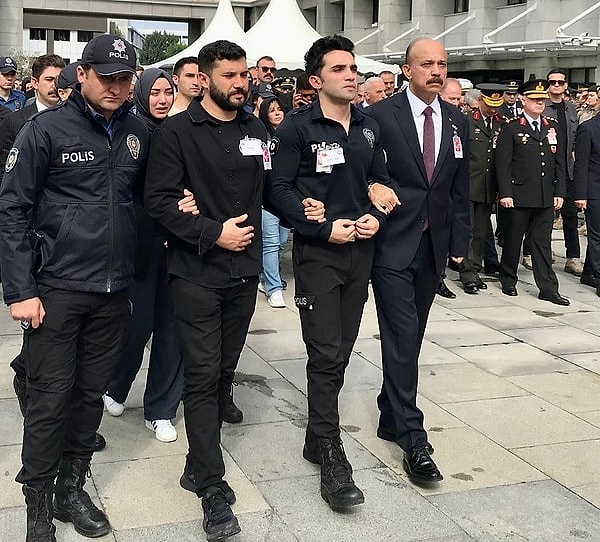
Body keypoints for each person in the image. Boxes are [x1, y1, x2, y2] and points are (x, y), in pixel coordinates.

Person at [0, 34, 148, 541]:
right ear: (80, 75)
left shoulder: (137, 130)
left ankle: (71, 487)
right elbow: (13, 210)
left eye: (124, 78)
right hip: (57, 288)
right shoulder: (45, 130)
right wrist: (20, 290)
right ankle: (37, 502)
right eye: (105, 76)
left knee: (89, 396)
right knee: (49, 399)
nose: (115, 86)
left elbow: (147, 199)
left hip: (113, 292)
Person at [143, 40, 267, 541]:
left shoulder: (256, 128)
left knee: (221, 372)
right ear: (205, 79)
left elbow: (272, 186)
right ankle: (211, 489)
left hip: (244, 274)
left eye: (244, 75)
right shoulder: (175, 132)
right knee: (199, 376)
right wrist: (212, 231)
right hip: (195, 274)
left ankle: (197, 463)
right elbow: (158, 202)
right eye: (230, 76)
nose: (240, 83)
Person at [267, 34, 393, 511]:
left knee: (340, 349)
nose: (351, 74)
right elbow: (275, 188)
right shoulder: (297, 129)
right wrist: (317, 226)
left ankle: (315, 437)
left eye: (353, 67)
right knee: (323, 352)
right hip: (319, 255)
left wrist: (376, 215)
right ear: (317, 80)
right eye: (340, 69)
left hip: (361, 251)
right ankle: (332, 454)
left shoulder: (367, 125)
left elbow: (381, 180)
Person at [365, 37, 470, 485]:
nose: (436, 70)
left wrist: (460, 241)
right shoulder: (379, 116)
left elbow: (459, 187)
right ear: (406, 70)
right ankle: (412, 435)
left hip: (432, 246)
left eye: (442, 63)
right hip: (391, 242)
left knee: (414, 334)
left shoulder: (456, 120)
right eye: (426, 63)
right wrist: (371, 190)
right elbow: (364, 170)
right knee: (402, 334)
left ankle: (390, 411)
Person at [103, 68, 186, 443]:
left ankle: (161, 409)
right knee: (137, 326)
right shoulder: (129, 132)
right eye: (155, 93)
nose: (162, 99)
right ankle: (116, 385)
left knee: (173, 328)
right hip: (138, 246)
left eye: (168, 92)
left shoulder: (182, 132)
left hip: (178, 244)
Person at [496, 79, 569, 305]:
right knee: (513, 240)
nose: (539, 103)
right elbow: (503, 164)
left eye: (542, 100)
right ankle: (508, 278)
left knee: (542, 244)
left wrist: (560, 192)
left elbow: (559, 162)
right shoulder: (512, 127)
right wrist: (505, 193)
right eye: (535, 99)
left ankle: (548, 287)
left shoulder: (551, 126)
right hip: (519, 195)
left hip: (545, 196)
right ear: (523, 100)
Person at [458, 83, 505, 294]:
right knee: (466, 231)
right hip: (468, 184)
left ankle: (475, 269)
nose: (493, 109)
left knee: (480, 232)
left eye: (497, 105)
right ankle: (466, 273)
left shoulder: (501, 124)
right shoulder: (467, 122)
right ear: (481, 101)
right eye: (489, 105)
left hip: (488, 187)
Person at [545, 68, 582, 277]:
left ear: (566, 85)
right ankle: (538, 251)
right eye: (553, 82)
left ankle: (573, 257)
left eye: (560, 82)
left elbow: (574, 138)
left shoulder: (570, 109)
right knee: (545, 214)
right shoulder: (543, 107)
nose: (557, 85)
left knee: (570, 214)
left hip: (568, 169)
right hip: (547, 170)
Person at [0, 54, 65, 173]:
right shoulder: (14, 122)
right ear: (35, 82)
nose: (55, 85)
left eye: (59, 80)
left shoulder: (75, 120)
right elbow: (4, 170)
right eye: (49, 79)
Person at [257, 96, 290, 308]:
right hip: (266, 198)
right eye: (272, 110)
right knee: (270, 243)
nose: (277, 113)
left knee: (281, 242)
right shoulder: (260, 136)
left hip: (287, 198)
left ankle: (265, 277)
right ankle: (274, 287)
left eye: (280, 109)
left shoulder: (291, 134)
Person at [574, 107, 600, 297]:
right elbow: (581, 164)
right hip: (594, 188)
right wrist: (580, 194)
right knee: (597, 235)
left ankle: (589, 272)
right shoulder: (588, 128)